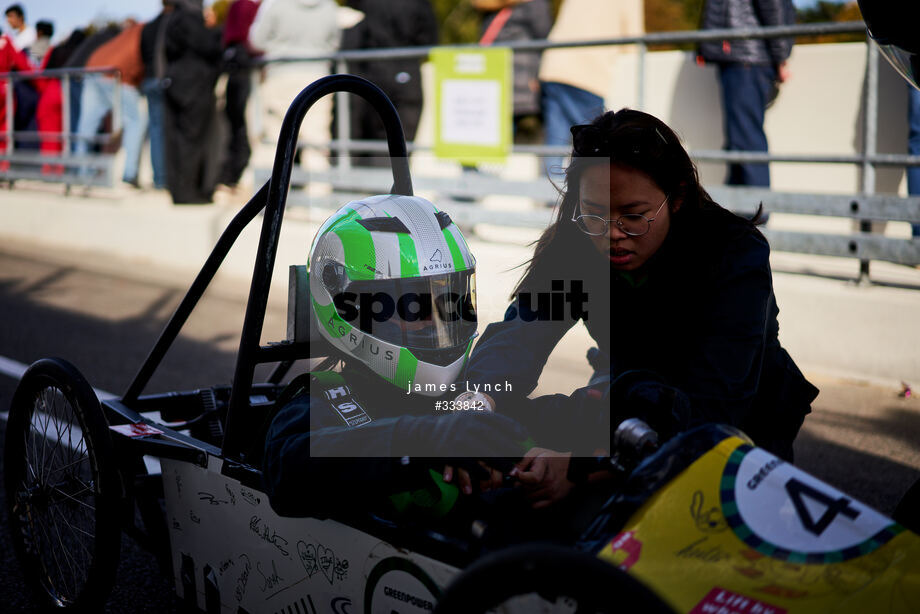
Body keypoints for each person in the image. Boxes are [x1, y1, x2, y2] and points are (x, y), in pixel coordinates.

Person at [462, 109, 819, 508]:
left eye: (633, 216)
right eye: (595, 214)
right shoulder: (578, 243)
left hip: (736, 431)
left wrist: (581, 469)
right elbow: (520, 337)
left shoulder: (733, 254)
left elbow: (714, 411)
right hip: (634, 404)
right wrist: (476, 407)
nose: (612, 235)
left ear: (678, 197)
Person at [262, 194, 530, 519]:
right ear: (354, 309)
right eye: (412, 304)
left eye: (448, 298)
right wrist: (420, 443)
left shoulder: (475, 391)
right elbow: (287, 474)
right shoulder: (319, 402)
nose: (437, 318)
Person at [539, 0, 643, 184]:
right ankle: (595, 203)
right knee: (595, 146)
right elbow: (634, 38)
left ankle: (550, 200)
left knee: (555, 142)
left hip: (554, 66)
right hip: (587, 71)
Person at [698, 0, 795, 188]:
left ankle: (756, 213)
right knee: (738, 141)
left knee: (746, 140)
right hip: (742, 56)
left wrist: (781, 57)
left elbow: (772, 7)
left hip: (746, 57)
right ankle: (739, 211)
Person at [337, 0, 438, 167]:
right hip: (407, 75)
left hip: (374, 72)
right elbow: (429, 40)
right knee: (401, 142)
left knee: (374, 138)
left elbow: (354, 32)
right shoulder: (419, 3)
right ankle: (390, 187)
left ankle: (376, 186)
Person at [249, 0, 339, 172]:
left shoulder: (276, 4)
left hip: (281, 73)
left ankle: (270, 195)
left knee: (276, 137)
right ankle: (318, 193)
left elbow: (257, 40)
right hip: (317, 74)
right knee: (316, 139)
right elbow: (334, 42)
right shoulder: (329, 6)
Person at [74, 19, 147, 189]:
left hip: (93, 70)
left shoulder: (123, 35)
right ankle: (129, 174)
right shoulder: (142, 32)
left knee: (87, 124)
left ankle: (81, 171)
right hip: (117, 74)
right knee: (135, 121)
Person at [162, 0, 223, 203]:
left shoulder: (173, 17)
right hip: (192, 86)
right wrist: (219, 35)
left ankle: (181, 190)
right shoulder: (189, 17)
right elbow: (206, 45)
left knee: (177, 139)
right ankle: (187, 192)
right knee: (191, 139)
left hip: (177, 82)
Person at [474, 0, 552, 136]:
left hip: (495, 79)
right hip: (524, 80)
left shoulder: (489, 7)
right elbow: (544, 36)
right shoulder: (534, 5)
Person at [217, 0, 261, 189]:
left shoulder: (235, 5)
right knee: (246, 124)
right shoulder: (248, 6)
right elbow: (254, 38)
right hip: (245, 66)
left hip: (233, 65)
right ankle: (239, 173)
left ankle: (231, 174)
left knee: (236, 125)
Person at [140, 1, 176, 190]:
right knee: (165, 129)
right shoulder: (171, 22)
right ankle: (164, 179)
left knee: (155, 131)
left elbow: (143, 53)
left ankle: (159, 178)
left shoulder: (149, 25)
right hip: (163, 80)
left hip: (149, 79)